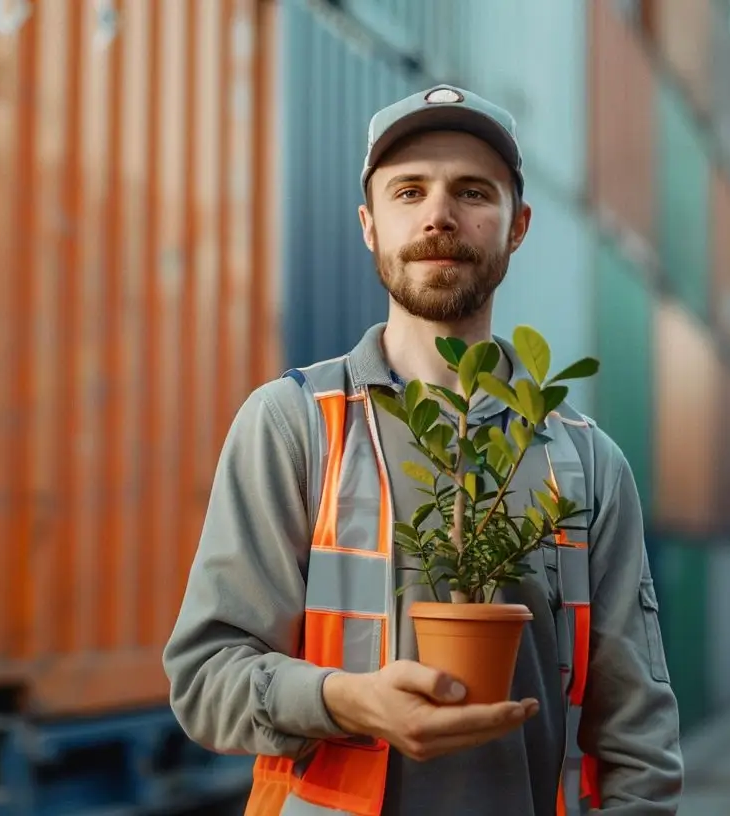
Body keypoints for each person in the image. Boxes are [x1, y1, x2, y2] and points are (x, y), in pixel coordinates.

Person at [163, 83, 685, 816]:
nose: (439, 215)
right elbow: (204, 680)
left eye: (473, 192)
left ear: (518, 226)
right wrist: (346, 701)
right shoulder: (295, 426)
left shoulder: (588, 464)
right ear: (369, 224)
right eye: (409, 191)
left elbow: (639, 737)